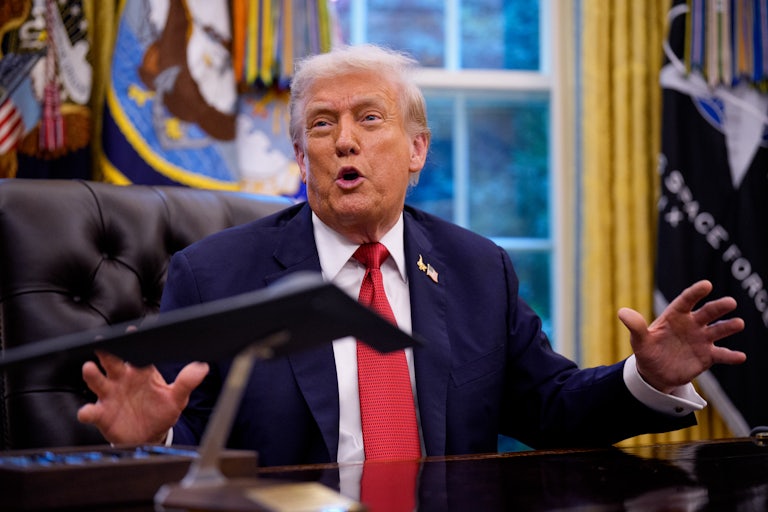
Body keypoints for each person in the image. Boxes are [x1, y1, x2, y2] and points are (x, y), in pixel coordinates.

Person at [77, 44, 746, 468]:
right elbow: (191, 450)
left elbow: (549, 407)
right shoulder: (214, 275)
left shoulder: (479, 269)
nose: (344, 142)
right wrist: (152, 441)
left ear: (418, 149)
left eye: (369, 119)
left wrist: (646, 378)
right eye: (321, 125)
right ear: (300, 159)